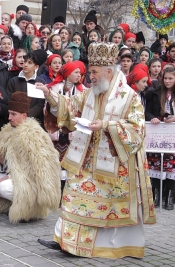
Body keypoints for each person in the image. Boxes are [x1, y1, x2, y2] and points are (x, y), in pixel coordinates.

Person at [37, 42, 156, 258]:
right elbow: (70, 105)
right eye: (90, 71)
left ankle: (105, 245)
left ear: (109, 72)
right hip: (87, 158)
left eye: (94, 72)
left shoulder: (129, 97)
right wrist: (49, 95)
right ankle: (67, 241)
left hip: (115, 163)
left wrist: (107, 126)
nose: (89, 76)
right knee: (73, 192)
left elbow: (138, 129)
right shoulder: (91, 93)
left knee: (100, 204)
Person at [0, 91, 61, 223]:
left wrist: (2, 179)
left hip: (29, 183)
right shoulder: (7, 131)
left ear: (24, 115)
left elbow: (28, 171)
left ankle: (29, 208)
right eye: (9, 113)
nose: (9, 117)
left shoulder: (33, 135)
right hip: (12, 176)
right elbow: (10, 164)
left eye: (13, 114)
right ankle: (12, 205)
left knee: (3, 187)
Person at [44, 61, 87, 203]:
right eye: (75, 72)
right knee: (55, 166)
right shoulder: (55, 88)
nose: (78, 75)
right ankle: (55, 196)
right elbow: (50, 109)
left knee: (71, 166)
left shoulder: (83, 91)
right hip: (57, 132)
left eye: (80, 73)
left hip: (72, 134)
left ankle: (69, 196)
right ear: (68, 74)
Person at [145, 67, 175, 210]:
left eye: (171, 78)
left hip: (172, 135)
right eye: (166, 78)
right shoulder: (154, 92)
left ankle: (169, 196)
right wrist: (153, 118)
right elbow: (147, 111)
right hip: (157, 134)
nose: (168, 81)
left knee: (171, 166)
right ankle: (156, 194)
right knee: (156, 164)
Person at [7, 50, 47, 121]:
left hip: (34, 121)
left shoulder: (40, 82)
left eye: (29, 63)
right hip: (15, 119)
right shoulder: (13, 81)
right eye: (25, 61)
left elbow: (40, 104)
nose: (25, 64)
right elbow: (9, 100)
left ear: (36, 67)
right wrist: (19, 116)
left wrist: (27, 116)